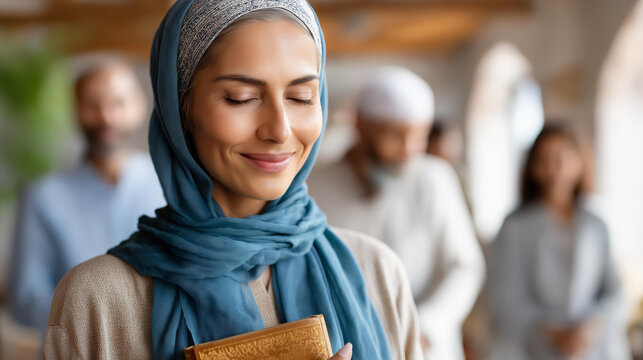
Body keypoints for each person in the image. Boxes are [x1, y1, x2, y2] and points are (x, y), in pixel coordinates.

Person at [43, 1, 423, 359]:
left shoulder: (377, 272)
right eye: (241, 98)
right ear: (181, 110)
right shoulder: (100, 301)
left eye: (302, 97)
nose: (279, 130)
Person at [308, 66, 485, 360]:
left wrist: (427, 324)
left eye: (419, 136)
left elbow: (464, 266)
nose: (409, 150)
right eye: (395, 136)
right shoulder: (316, 183)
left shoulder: (434, 178)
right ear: (361, 126)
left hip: (426, 346)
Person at [8, 59, 165, 334]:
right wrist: (102, 328)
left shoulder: (170, 187)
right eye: (93, 103)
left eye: (119, 102)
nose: (107, 117)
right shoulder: (43, 197)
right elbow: (26, 299)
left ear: (140, 106)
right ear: (75, 109)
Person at [489, 124, 630, 360]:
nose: (555, 169)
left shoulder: (596, 224)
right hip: (534, 348)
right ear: (532, 167)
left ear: (579, 161)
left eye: (562, 158)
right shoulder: (515, 227)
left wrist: (589, 327)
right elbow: (507, 298)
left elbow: (614, 292)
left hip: (592, 347)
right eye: (544, 160)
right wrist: (553, 333)